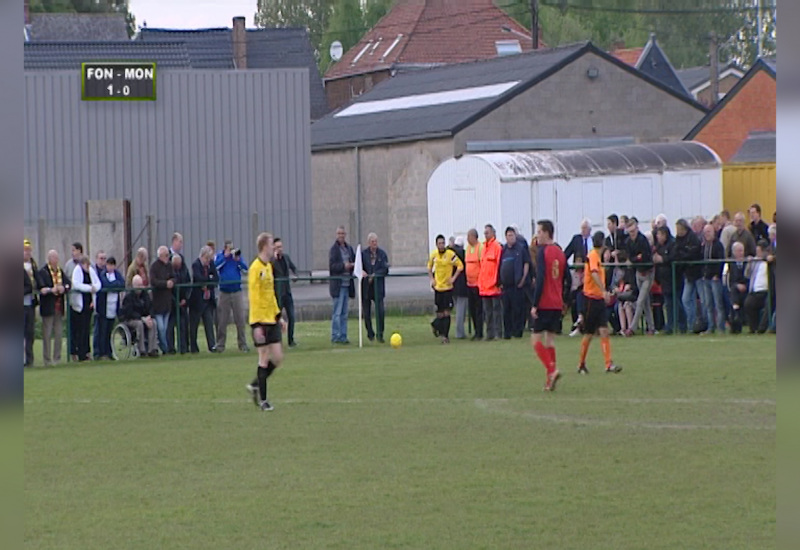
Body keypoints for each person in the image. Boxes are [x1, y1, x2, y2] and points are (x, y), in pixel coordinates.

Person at [245, 233, 287, 412]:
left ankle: (255, 384)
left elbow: (270, 296)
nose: (274, 248)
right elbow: (254, 298)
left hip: (271, 319)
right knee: (263, 357)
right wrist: (258, 325)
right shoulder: (255, 268)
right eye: (272, 245)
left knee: (277, 358)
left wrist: (279, 317)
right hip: (259, 321)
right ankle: (263, 401)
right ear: (264, 246)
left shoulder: (269, 267)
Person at [577, 232, 622, 375]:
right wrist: (603, 291)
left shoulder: (596, 257)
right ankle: (581, 364)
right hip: (591, 299)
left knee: (604, 330)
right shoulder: (593, 256)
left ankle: (608, 364)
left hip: (598, 299)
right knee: (589, 333)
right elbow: (594, 273)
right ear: (602, 244)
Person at [530, 220, 566, 392]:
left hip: (544, 302)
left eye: (539, 231)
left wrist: (535, 304)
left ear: (546, 233)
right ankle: (549, 381)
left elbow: (541, 279)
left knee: (535, 340)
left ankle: (552, 370)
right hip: (557, 303)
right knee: (550, 340)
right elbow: (566, 279)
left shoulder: (542, 252)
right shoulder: (560, 252)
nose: (537, 235)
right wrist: (565, 300)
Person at [427, 234, 464, 344]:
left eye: (443, 243)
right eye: (439, 243)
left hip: (448, 288)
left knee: (447, 313)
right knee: (440, 313)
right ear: (436, 245)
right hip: (438, 288)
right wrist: (432, 279)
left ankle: (445, 337)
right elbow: (429, 267)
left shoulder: (450, 254)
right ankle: (435, 325)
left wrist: (453, 278)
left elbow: (460, 266)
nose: (441, 245)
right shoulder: (434, 255)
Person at [215, 240, 249, 353]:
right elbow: (215, 267)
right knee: (222, 320)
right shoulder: (220, 256)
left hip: (236, 292)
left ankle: (242, 344)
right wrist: (225, 257)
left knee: (240, 319)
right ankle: (220, 345)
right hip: (224, 292)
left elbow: (246, 269)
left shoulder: (237, 257)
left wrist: (238, 261)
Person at [38, 249, 70, 367]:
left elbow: (68, 283)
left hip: (59, 307)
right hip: (48, 307)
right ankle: (47, 360)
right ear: (49, 259)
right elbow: (41, 286)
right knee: (47, 335)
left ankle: (57, 358)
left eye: (57, 258)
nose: (56, 261)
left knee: (58, 334)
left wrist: (64, 288)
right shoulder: (43, 272)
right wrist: (52, 289)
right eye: (54, 258)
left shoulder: (60, 271)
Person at [624, 217, 655, 336]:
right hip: (638, 273)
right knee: (645, 302)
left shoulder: (643, 240)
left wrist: (635, 259)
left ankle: (632, 327)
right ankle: (651, 327)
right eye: (630, 232)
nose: (632, 234)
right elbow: (630, 258)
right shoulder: (628, 242)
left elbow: (646, 257)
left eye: (634, 231)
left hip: (647, 273)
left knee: (640, 300)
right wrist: (636, 258)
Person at [499, 227, 530, 339]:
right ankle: (507, 332)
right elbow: (500, 265)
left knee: (518, 309)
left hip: (517, 285)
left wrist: (523, 279)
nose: (510, 237)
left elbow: (526, 263)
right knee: (506, 310)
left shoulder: (521, 249)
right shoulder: (504, 250)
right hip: (506, 286)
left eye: (512, 235)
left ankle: (517, 332)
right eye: (508, 235)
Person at [673, 219, 703, 334]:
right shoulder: (678, 239)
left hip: (697, 273)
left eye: (679, 229)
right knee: (686, 299)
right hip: (687, 274)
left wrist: (683, 254)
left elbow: (693, 253)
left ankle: (700, 323)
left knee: (703, 300)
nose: (678, 231)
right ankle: (691, 324)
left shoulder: (693, 238)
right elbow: (677, 253)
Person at [119, 274, 159, 358]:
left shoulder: (145, 295)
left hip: (144, 318)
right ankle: (142, 350)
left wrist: (149, 317)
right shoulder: (128, 297)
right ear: (134, 285)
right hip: (130, 319)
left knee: (154, 323)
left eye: (141, 284)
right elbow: (129, 312)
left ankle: (152, 349)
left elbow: (150, 307)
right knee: (139, 324)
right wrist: (142, 318)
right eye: (138, 285)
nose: (140, 287)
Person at [360, 233, 390, 343]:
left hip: (378, 288)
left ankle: (380, 334)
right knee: (366, 313)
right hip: (366, 288)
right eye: (372, 241)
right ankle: (370, 333)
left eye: (376, 241)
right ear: (369, 243)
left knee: (380, 311)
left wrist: (375, 275)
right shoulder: (363, 254)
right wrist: (363, 272)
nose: (374, 243)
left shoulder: (382, 254)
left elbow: (385, 269)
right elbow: (359, 267)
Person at [70, 256, 101, 361]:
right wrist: (89, 288)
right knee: (80, 329)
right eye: (86, 265)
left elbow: (97, 283)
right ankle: (79, 353)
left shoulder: (91, 271)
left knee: (87, 329)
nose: (88, 267)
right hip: (80, 305)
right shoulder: (77, 271)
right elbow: (77, 284)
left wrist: (94, 289)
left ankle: (87, 352)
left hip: (89, 304)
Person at [329, 226, 356, 344]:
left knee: (345, 313)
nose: (341, 236)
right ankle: (335, 336)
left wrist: (353, 265)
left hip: (347, 284)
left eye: (343, 233)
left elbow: (355, 261)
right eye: (339, 233)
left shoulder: (349, 248)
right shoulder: (334, 250)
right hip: (338, 285)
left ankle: (343, 336)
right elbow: (332, 267)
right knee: (337, 312)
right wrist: (343, 266)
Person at [189, 246, 218, 353]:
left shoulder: (211, 264)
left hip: (208, 300)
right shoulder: (195, 265)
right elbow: (198, 278)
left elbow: (216, 279)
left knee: (209, 323)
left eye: (209, 259)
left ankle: (212, 345)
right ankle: (193, 347)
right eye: (207, 258)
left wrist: (208, 282)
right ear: (202, 256)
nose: (208, 261)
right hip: (197, 301)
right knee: (194, 325)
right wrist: (208, 279)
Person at [272, 237, 300, 347]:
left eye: (281, 247)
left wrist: (295, 275)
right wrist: (274, 259)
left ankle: (291, 340)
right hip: (277, 293)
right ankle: (277, 341)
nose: (280, 249)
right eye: (277, 247)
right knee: (277, 318)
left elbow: (294, 268)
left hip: (287, 292)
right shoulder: (271, 260)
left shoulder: (286, 258)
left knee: (291, 316)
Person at [95, 256, 125, 359]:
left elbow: (122, 284)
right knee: (102, 331)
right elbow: (106, 284)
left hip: (113, 307)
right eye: (109, 265)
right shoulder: (103, 274)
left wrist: (114, 286)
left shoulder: (117, 274)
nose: (111, 267)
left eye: (112, 265)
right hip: (104, 308)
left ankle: (109, 352)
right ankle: (102, 353)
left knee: (109, 331)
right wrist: (114, 286)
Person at [699, 224, 726, 335]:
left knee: (718, 303)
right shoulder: (704, 246)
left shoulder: (718, 245)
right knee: (708, 304)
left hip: (715, 279)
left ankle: (721, 327)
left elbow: (721, 260)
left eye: (709, 232)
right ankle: (711, 327)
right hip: (706, 278)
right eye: (705, 232)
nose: (707, 234)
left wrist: (717, 274)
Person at [478, 224, 503, 340]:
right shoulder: (484, 248)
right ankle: (489, 334)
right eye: (485, 232)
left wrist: (498, 281)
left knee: (496, 311)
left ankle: (498, 333)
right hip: (484, 287)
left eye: (487, 232)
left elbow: (499, 265)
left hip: (494, 285)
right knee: (487, 312)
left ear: (493, 233)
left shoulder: (497, 247)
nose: (485, 234)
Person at [150, 246, 176, 354]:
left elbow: (174, 277)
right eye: (165, 255)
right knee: (160, 328)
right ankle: (165, 348)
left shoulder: (169, 266)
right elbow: (154, 281)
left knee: (165, 328)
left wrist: (172, 282)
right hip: (158, 302)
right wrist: (165, 284)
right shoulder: (154, 267)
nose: (167, 257)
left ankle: (165, 349)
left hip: (167, 302)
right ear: (160, 256)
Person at [652, 226, 676, 334]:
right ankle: (669, 325)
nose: (657, 236)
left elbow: (673, 257)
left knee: (674, 303)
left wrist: (662, 259)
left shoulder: (671, 244)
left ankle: (676, 324)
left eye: (659, 234)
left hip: (672, 278)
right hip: (663, 279)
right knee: (667, 303)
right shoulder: (658, 246)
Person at [743, 240, 770, 334]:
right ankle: (752, 328)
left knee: (768, 306)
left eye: (759, 251)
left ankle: (762, 328)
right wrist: (749, 264)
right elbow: (747, 275)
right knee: (748, 304)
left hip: (766, 290)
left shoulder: (768, 262)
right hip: (755, 290)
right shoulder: (755, 261)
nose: (757, 253)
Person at [168, 253, 191, 354]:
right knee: (170, 327)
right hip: (171, 304)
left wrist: (185, 299)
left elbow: (189, 284)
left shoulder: (185, 270)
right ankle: (171, 349)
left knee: (183, 326)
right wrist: (175, 301)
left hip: (183, 302)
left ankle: (184, 348)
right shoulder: (168, 271)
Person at [464, 229, 484, 340]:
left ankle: (479, 332)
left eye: (469, 236)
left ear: (474, 237)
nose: (467, 239)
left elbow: (482, 265)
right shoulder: (467, 248)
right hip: (469, 283)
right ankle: (476, 330)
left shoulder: (480, 248)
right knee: (472, 309)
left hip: (478, 284)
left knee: (479, 309)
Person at [23, 239, 40, 367]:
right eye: (25, 250)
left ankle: (29, 360)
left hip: (30, 303)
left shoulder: (33, 265)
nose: (27, 253)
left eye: (29, 251)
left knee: (30, 332)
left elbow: (35, 283)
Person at [450, 236, 469, 339]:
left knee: (457, 310)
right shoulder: (465, 254)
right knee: (461, 312)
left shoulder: (450, 255)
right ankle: (460, 333)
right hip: (463, 287)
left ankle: (458, 332)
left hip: (453, 286)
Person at [727, 242, 749, 333]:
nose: (741, 253)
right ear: (734, 252)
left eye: (742, 251)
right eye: (738, 251)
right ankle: (735, 316)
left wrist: (745, 286)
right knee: (733, 291)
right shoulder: (730, 264)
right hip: (734, 288)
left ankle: (736, 313)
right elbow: (729, 280)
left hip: (746, 288)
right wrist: (737, 285)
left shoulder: (748, 262)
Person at [91, 250, 108, 359]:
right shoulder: (93, 272)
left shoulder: (108, 271)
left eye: (104, 259)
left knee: (105, 329)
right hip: (97, 302)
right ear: (96, 259)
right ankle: (97, 352)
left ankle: (105, 351)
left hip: (106, 303)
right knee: (97, 329)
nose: (103, 261)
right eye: (101, 258)